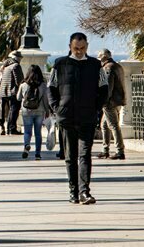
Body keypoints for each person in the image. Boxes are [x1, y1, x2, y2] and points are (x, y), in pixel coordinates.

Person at [48, 32, 108, 205]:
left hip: (87, 117)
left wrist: (96, 108)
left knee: (84, 155)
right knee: (70, 156)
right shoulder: (59, 64)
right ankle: (73, 191)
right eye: (76, 48)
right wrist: (56, 108)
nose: (79, 51)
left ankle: (84, 192)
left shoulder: (96, 65)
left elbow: (104, 88)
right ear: (70, 47)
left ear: (87, 46)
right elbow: (50, 88)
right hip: (66, 118)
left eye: (82, 48)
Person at [17, 64, 51, 160]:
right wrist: (47, 110)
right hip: (40, 112)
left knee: (27, 132)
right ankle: (37, 154)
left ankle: (27, 146)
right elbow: (45, 100)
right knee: (38, 133)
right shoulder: (43, 85)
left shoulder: (23, 85)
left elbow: (18, 98)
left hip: (26, 111)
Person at [96, 49, 126, 160]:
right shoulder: (118, 66)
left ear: (104, 57)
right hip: (118, 100)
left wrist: (103, 101)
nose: (98, 60)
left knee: (113, 125)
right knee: (104, 125)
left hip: (110, 102)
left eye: (99, 57)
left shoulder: (107, 67)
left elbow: (107, 87)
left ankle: (119, 151)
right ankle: (105, 150)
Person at [0, 51, 24, 135]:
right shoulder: (16, 66)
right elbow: (19, 81)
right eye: (20, 57)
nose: (20, 59)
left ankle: (9, 128)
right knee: (14, 110)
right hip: (12, 92)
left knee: (10, 111)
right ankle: (12, 128)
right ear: (17, 58)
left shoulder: (6, 66)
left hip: (4, 92)